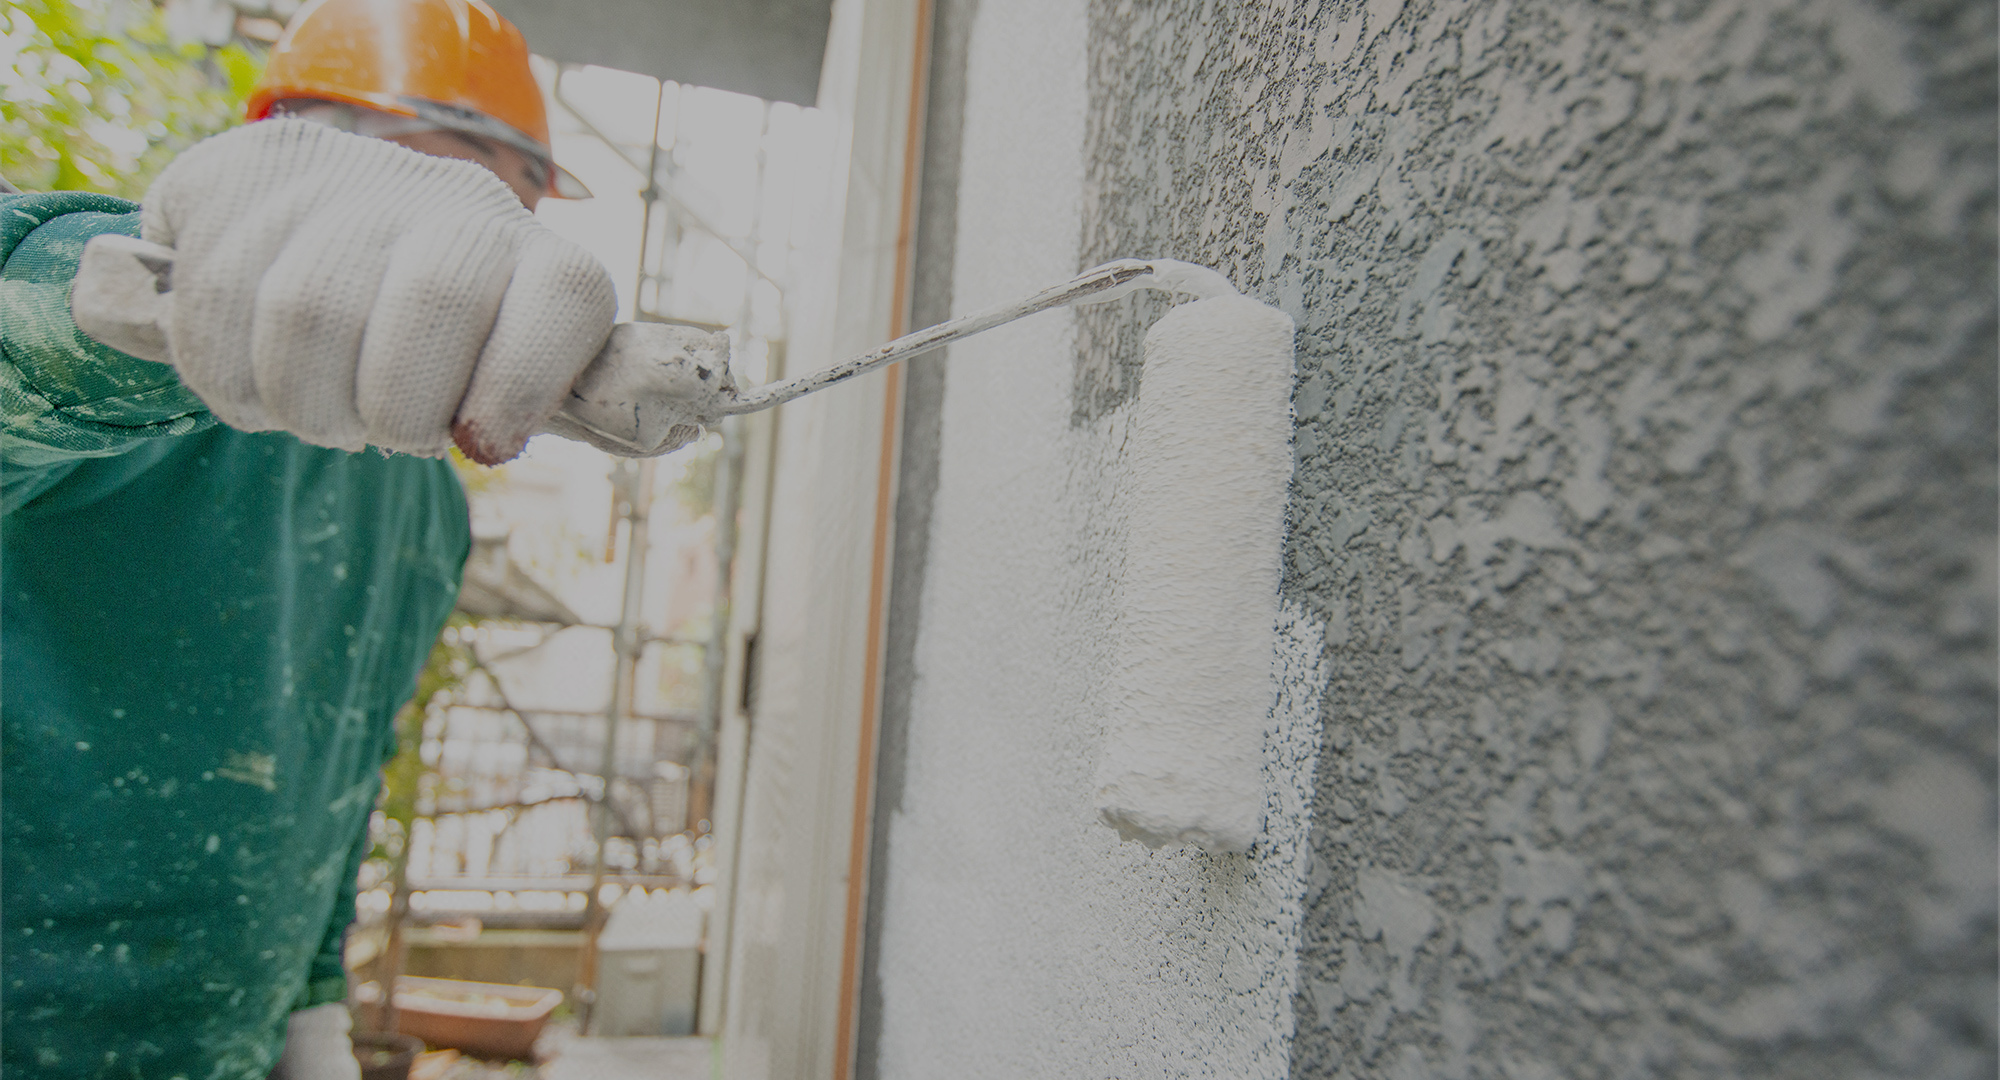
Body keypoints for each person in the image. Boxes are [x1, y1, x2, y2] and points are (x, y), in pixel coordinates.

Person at [0, 1, 615, 1076]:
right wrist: (142, 313)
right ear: (297, 152)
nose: (503, 226)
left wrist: (312, 1013)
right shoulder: (145, 366)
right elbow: (39, 327)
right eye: (473, 174)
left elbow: (341, 780)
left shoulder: (430, 504)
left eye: (515, 197)